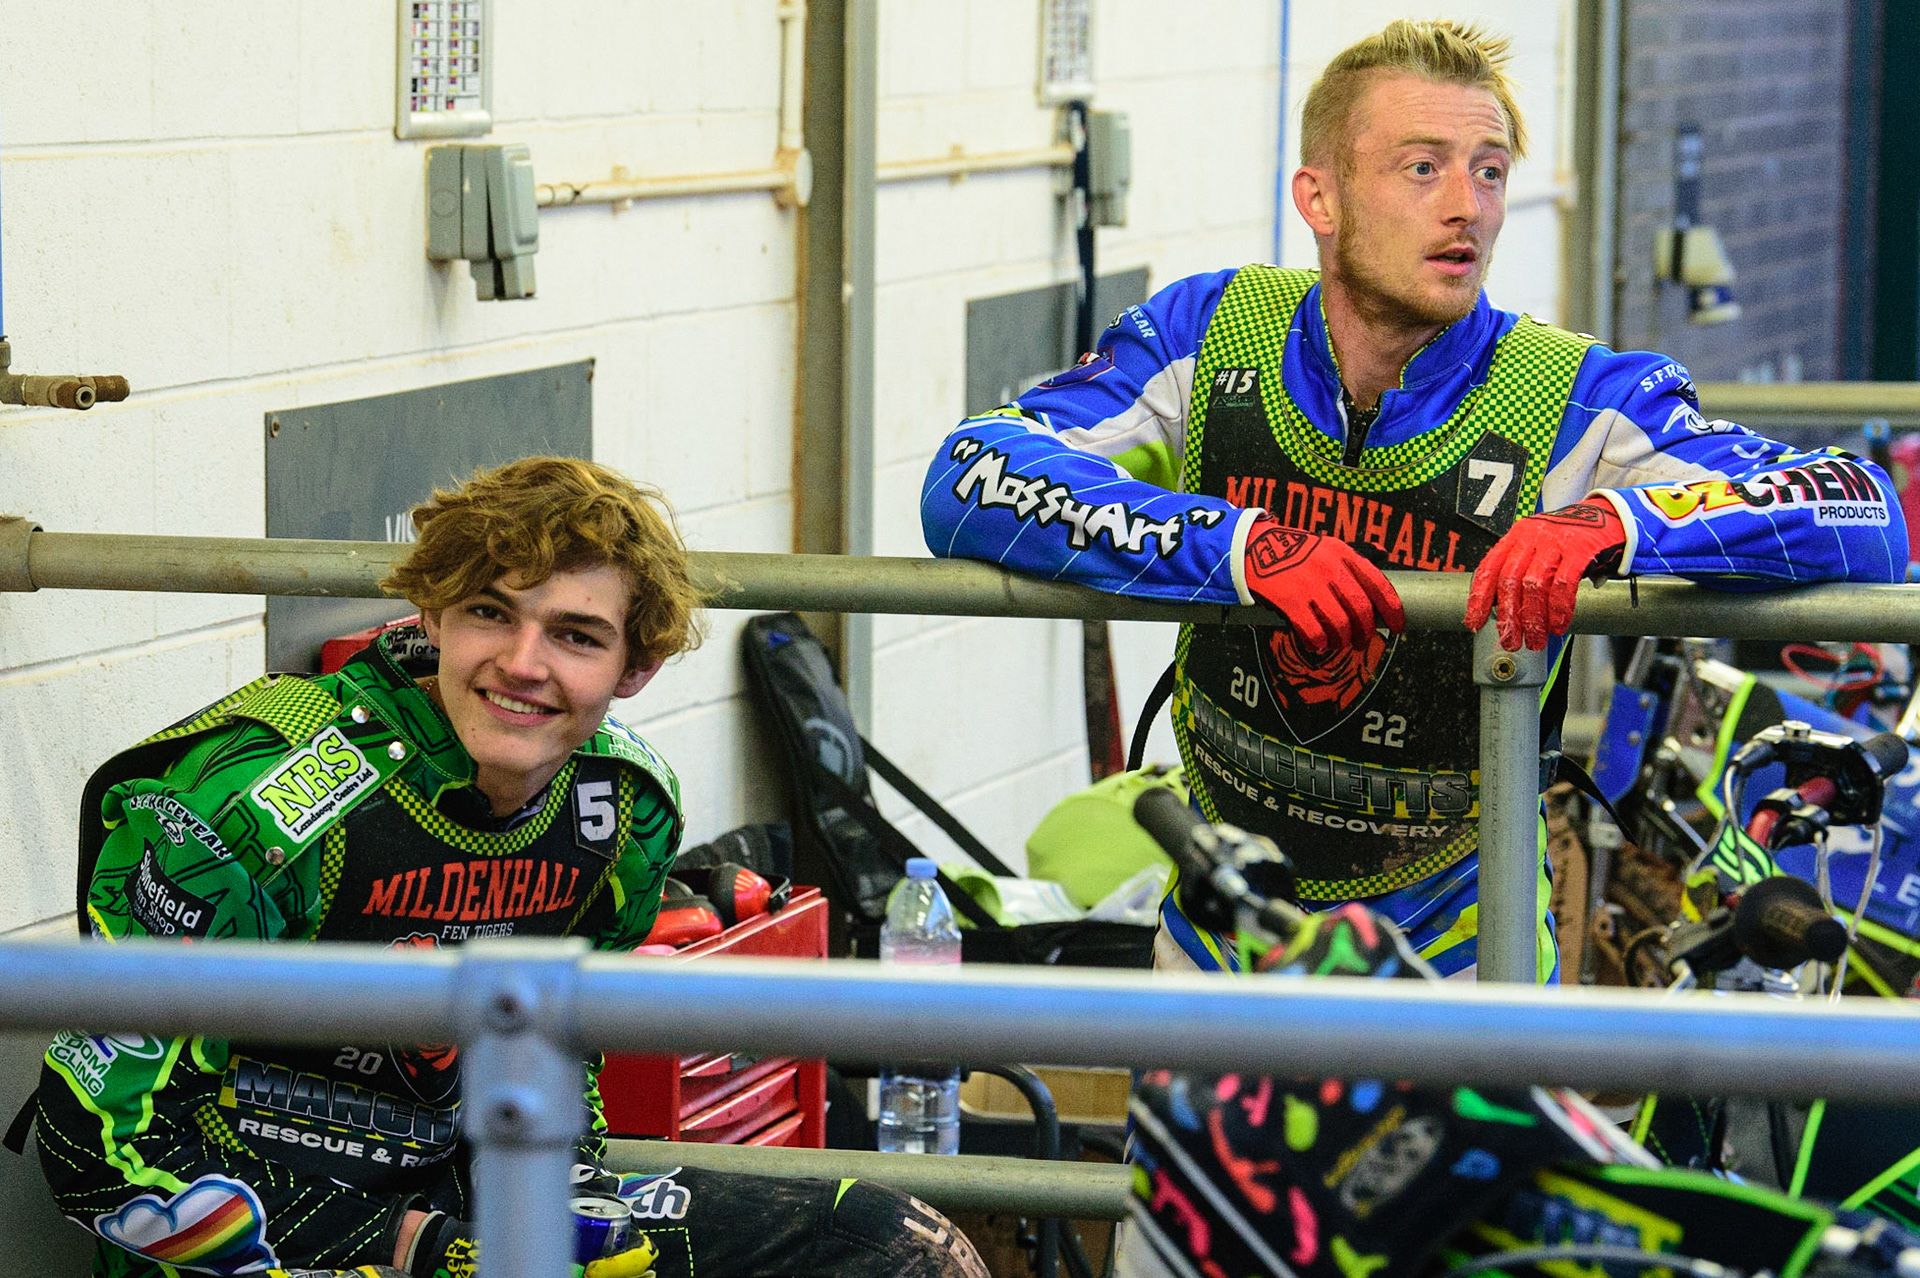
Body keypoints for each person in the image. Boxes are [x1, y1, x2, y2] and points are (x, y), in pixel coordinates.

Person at [920, 20, 1908, 982]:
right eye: (1422, 168)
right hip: (1220, 936)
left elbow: (1862, 506)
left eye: (1490, 171)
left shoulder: (1579, 400)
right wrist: (1238, 547)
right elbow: (972, 471)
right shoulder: (1208, 331)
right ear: (1321, 197)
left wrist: (1619, 522)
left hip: (1457, 955)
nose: (1467, 207)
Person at [30, 457, 984, 1278]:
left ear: (635, 668)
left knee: (896, 1244)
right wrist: (426, 1250)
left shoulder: (625, 805)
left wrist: (563, 1206)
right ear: (434, 615)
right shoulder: (246, 810)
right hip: (277, 1235)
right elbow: (98, 1151)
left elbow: (564, 1058)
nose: (524, 664)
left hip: (489, 1209)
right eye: (491, 613)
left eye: (576, 635)